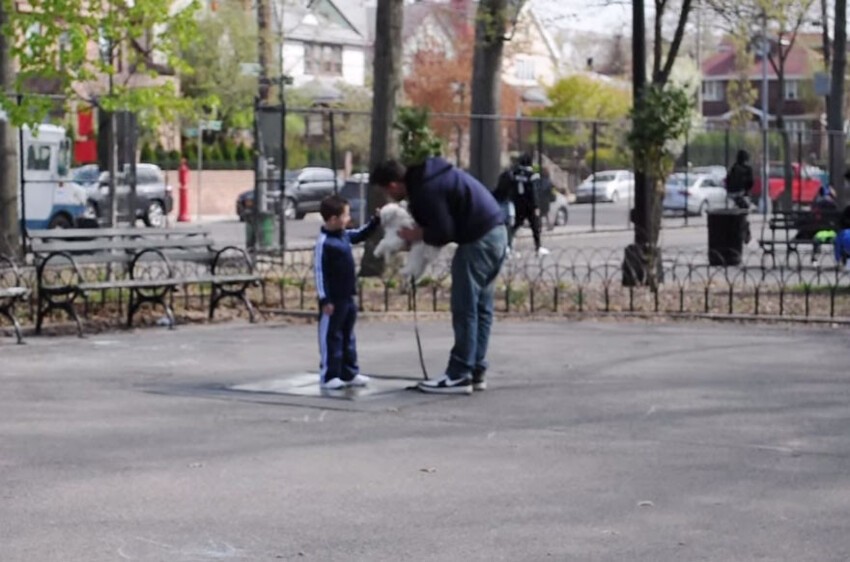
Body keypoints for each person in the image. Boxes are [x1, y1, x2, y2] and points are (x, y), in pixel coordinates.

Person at [371, 157, 507, 395]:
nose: (388, 197)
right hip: (497, 233)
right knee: (481, 308)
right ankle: (475, 370)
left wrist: (417, 234)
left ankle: (459, 374)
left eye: (385, 192)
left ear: (392, 185)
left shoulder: (425, 189)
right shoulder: (432, 177)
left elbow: (443, 231)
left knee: (465, 308)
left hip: (478, 241)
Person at [314, 194, 380, 390]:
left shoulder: (343, 235)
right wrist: (324, 298)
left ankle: (349, 372)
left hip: (347, 296)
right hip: (333, 300)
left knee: (347, 335)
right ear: (333, 219)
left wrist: (374, 222)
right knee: (331, 336)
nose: (348, 219)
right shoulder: (324, 243)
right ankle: (329, 375)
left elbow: (360, 234)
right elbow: (319, 273)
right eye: (345, 215)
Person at [495, 153, 549, 256]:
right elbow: (533, 192)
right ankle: (538, 247)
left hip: (518, 203)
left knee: (514, 227)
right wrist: (536, 206)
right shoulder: (531, 174)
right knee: (535, 227)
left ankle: (507, 246)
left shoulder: (515, 173)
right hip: (529, 205)